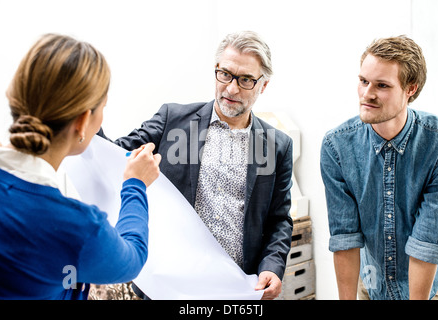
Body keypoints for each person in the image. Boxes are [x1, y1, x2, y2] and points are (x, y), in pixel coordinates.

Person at [99, 31, 293, 300]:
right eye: (225, 74)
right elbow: (112, 154)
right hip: (168, 284)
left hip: (235, 287)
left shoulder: (277, 145)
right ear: (216, 70)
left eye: (246, 79)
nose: (232, 88)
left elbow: (278, 219)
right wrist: (87, 109)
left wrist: (272, 267)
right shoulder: (172, 120)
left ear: (263, 85)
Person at [0, 34, 161, 299]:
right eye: (102, 108)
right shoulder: (76, 226)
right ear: (83, 121)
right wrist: (135, 184)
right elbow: (133, 258)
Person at [320, 35, 438, 300]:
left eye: (382, 85)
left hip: (431, 285)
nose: (367, 94)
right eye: (363, 81)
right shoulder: (336, 147)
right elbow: (345, 238)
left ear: (410, 89)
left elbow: (427, 243)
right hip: (372, 283)